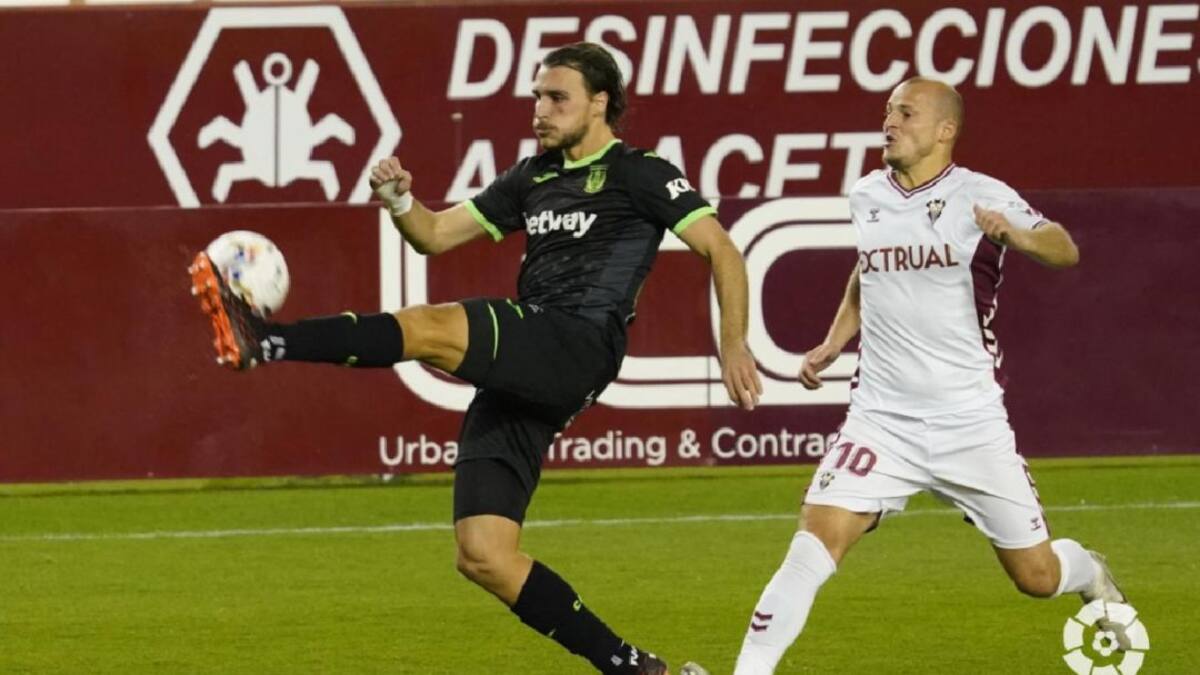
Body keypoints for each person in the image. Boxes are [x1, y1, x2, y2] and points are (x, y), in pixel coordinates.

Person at [188, 42, 761, 675]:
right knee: (484, 553)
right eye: (537, 97)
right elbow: (434, 235)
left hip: (577, 340)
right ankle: (635, 668)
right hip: (533, 360)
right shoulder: (532, 177)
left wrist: (733, 343)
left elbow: (722, 250)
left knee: (429, 327)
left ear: (600, 103)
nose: (540, 110)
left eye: (558, 98)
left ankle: (266, 341)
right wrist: (400, 202)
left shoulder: (640, 172)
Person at [730, 77, 1126, 674]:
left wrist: (1015, 235)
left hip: (969, 422)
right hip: (881, 421)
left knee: (1037, 576)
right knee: (812, 544)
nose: (889, 122)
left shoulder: (980, 194)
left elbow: (1063, 247)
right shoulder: (868, 193)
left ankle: (1089, 570)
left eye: (906, 113)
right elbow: (867, 270)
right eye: (888, 111)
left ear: (946, 130)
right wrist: (835, 340)